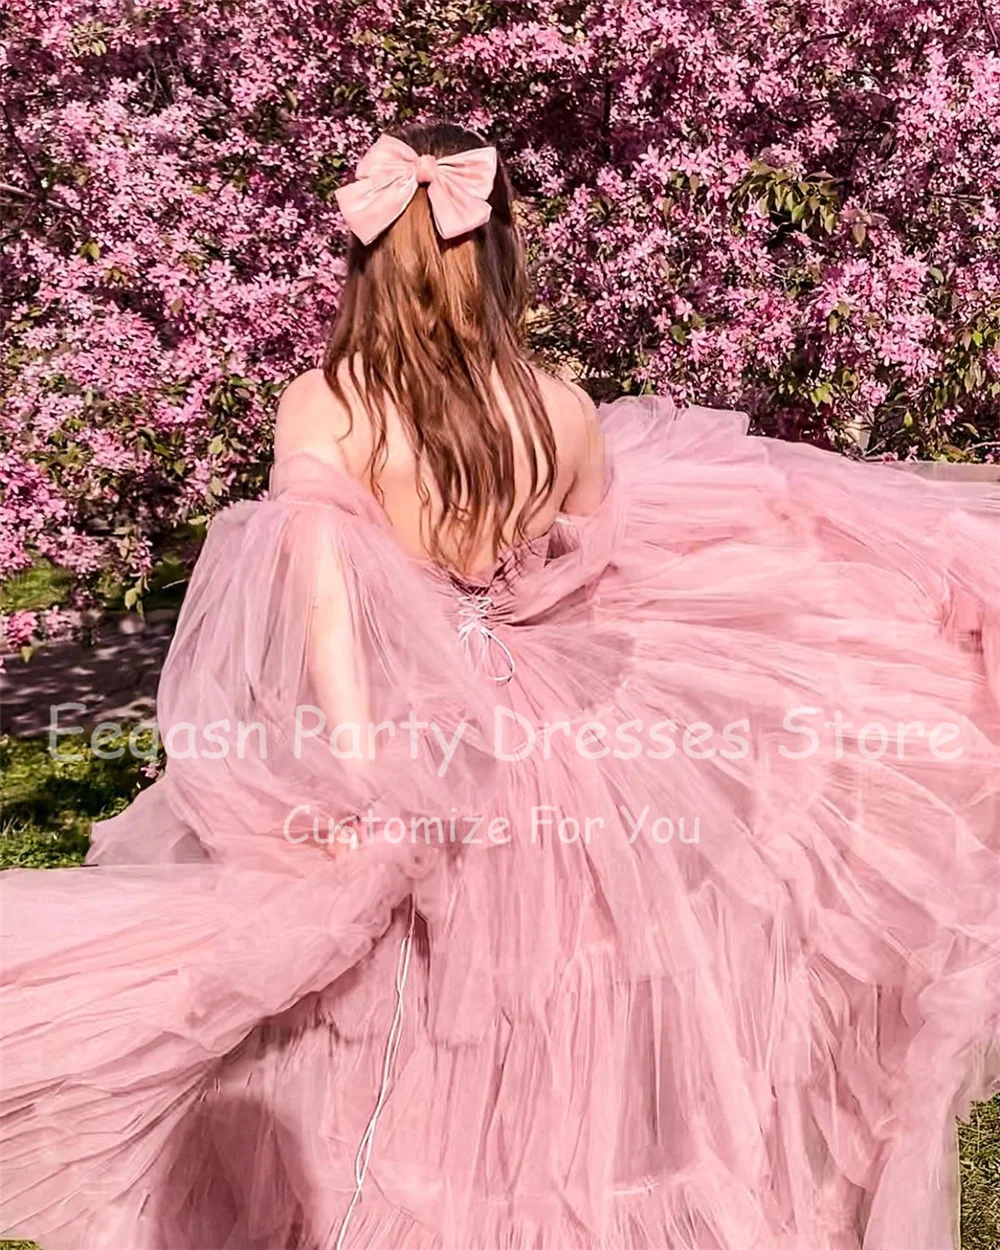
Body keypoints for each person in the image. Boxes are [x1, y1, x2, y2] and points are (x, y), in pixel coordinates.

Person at [1, 121, 998, 1250]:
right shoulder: (561, 407)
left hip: (408, 721)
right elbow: (582, 572)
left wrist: (357, 764)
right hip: (559, 734)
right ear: (500, 250)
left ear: (370, 254)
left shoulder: (328, 402)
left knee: (394, 1005)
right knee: (569, 1005)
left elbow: (328, 599)